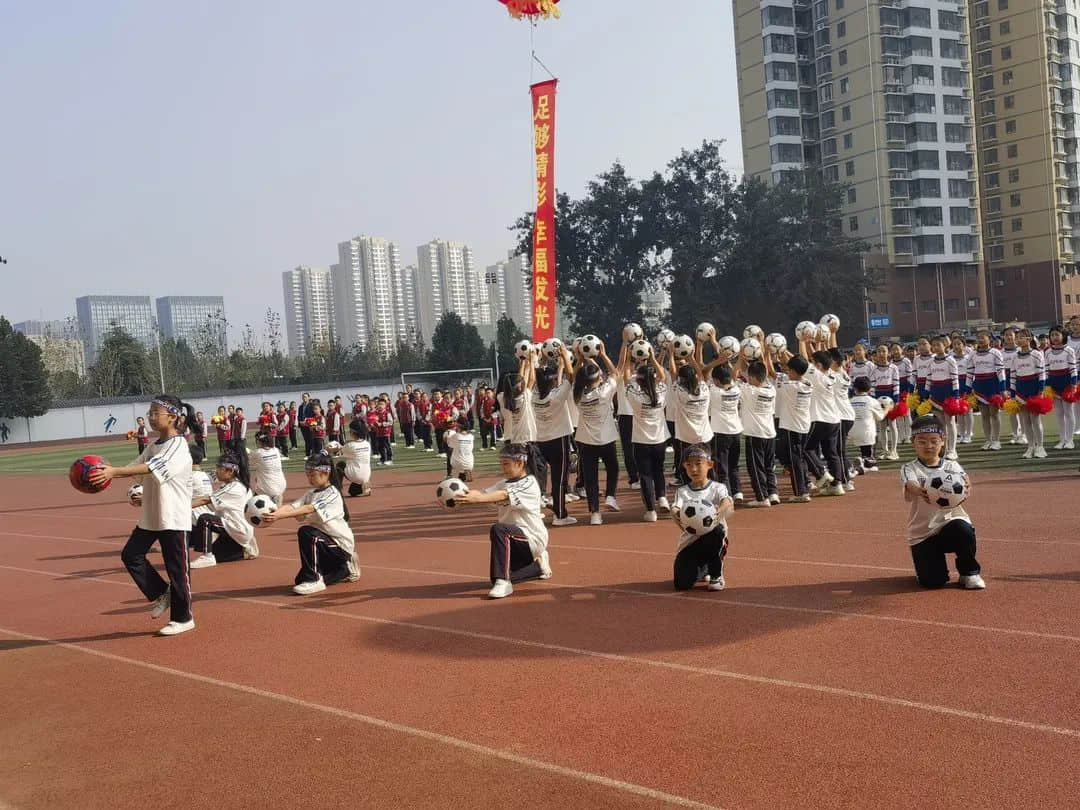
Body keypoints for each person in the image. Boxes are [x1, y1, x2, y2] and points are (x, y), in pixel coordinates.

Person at [88, 394, 196, 636]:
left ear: (173, 417)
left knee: (177, 569)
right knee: (131, 555)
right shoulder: (153, 445)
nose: (151, 416)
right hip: (152, 515)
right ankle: (161, 593)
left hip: (173, 516)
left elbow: (153, 468)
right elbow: (137, 470)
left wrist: (113, 472)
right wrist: (117, 478)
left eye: (156, 412)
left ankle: (184, 617)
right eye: (150, 412)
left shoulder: (178, 445)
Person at [454, 442, 552, 599]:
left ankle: (504, 583)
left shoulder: (529, 483)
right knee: (497, 575)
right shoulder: (503, 483)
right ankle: (538, 566)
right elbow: (481, 493)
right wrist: (457, 498)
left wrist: (477, 499)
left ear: (520, 463)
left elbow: (502, 495)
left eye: (506, 464)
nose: (503, 468)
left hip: (532, 539)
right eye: (501, 464)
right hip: (514, 543)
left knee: (499, 529)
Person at [901, 414, 984, 590]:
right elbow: (910, 484)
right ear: (913, 442)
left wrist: (967, 485)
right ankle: (929, 566)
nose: (928, 446)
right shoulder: (909, 468)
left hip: (950, 525)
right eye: (921, 441)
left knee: (963, 529)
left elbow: (964, 480)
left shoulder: (952, 466)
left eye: (933, 441)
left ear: (942, 441)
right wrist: (922, 490)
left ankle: (969, 573)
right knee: (932, 582)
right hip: (923, 533)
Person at [262, 452, 359, 595]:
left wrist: (279, 517)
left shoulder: (332, 493)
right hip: (324, 545)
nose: (310, 478)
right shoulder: (311, 493)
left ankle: (314, 580)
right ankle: (345, 570)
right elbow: (293, 506)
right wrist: (275, 512)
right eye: (308, 475)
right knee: (300, 580)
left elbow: (309, 508)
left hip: (340, 546)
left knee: (307, 532)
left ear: (326, 473)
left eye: (313, 475)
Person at [671, 444, 734, 591]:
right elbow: (676, 507)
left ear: (710, 464)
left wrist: (722, 508)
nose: (693, 469)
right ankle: (703, 569)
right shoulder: (682, 491)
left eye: (698, 464)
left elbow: (726, 500)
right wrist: (674, 512)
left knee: (716, 531)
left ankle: (716, 574)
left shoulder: (718, 488)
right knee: (681, 584)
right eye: (689, 465)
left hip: (714, 538)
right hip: (690, 543)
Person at [572, 344, 621, 525]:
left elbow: (575, 377)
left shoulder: (577, 394)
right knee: (613, 468)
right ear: (599, 378)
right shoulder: (604, 392)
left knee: (591, 478)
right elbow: (615, 372)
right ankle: (610, 496)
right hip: (606, 438)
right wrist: (603, 355)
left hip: (586, 441)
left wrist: (580, 359)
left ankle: (595, 514)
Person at [622, 342, 670, 522]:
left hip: (641, 440)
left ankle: (651, 511)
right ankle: (663, 497)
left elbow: (626, 378)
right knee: (659, 470)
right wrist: (651, 357)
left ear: (639, 380)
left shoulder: (635, 394)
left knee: (645, 475)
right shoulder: (660, 391)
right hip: (660, 440)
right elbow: (663, 375)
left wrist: (629, 358)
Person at [190, 449, 257, 569]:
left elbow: (205, 500)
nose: (216, 471)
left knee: (205, 519)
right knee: (218, 555)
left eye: (219, 468)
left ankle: (207, 556)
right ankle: (244, 551)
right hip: (234, 532)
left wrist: (182, 506)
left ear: (229, 471)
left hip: (236, 529)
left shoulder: (234, 488)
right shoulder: (237, 485)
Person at [532, 346, 577, 526]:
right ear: (552, 382)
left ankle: (548, 506)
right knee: (560, 479)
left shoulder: (535, 395)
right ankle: (560, 515)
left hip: (541, 441)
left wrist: (541, 359)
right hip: (559, 440)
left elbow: (537, 379)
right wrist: (565, 357)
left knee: (546, 478)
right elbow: (571, 377)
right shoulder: (557, 396)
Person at [735, 353, 778, 507]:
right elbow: (763, 374)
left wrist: (740, 356)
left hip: (755, 435)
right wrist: (762, 354)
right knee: (769, 466)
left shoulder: (748, 390)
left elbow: (733, 378)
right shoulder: (771, 389)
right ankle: (773, 493)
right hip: (770, 434)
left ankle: (762, 498)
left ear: (752, 378)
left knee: (756, 468)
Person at [667, 348, 714, 486]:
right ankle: (708, 487)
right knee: (705, 462)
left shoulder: (680, 392)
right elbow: (700, 373)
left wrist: (671, 354)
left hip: (687, 436)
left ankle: (690, 488)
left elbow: (673, 374)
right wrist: (691, 358)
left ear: (681, 379)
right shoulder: (704, 389)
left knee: (688, 464)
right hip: (705, 435)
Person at [774, 353, 813, 502]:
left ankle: (800, 492)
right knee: (799, 457)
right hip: (803, 426)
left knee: (794, 459)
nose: (787, 373)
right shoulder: (808, 383)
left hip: (791, 427)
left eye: (789, 370)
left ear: (794, 372)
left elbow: (773, 376)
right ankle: (806, 485)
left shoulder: (789, 386)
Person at [1010, 328, 1047, 459]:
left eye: (1021, 337)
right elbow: (1013, 375)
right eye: (1017, 338)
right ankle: (1030, 446)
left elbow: (1042, 374)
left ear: (1029, 339)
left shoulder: (1037, 354)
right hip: (1021, 389)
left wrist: (1041, 391)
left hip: (1034, 388)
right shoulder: (1015, 356)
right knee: (1025, 420)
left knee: (1035, 420)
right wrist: (1013, 393)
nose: (1018, 340)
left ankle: (1040, 446)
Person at [967, 328, 1005, 451]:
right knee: (984, 415)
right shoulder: (972, 354)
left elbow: (1000, 371)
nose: (980, 340)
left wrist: (1002, 388)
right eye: (978, 337)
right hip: (979, 386)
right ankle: (988, 440)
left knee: (994, 414)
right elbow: (970, 372)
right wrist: (968, 388)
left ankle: (996, 440)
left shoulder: (995, 352)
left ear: (990, 339)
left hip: (993, 385)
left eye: (983, 337)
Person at [1044, 325, 1077, 449]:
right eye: (1052, 335)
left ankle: (1070, 440)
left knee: (1068, 412)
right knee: (1058, 413)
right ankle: (1062, 439)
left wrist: (1073, 385)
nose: (1054, 337)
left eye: (1057, 334)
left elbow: (1073, 369)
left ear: (1063, 336)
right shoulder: (1047, 352)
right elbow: (1046, 370)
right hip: (1053, 385)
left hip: (1067, 384)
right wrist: (1047, 386)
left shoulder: (1069, 350)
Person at [849, 376, 886, 474]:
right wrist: (887, 408)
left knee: (864, 445)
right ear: (869, 389)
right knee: (873, 465)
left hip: (852, 431)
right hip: (867, 432)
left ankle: (864, 460)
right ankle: (865, 463)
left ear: (855, 388)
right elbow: (880, 417)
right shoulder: (872, 401)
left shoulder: (850, 401)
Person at [871, 344, 900, 462]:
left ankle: (894, 450)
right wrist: (873, 401)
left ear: (888, 353)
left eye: (884, 351)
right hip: (878, 399)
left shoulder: (893, 368)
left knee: (892, 425)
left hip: (890, 399)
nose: (881, 354)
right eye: (879, 351)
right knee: (882, 427)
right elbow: (873, 386)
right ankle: (884, 450)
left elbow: (896, 384)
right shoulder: (873, 369)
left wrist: (896, 400)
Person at [335, 419, 372, 497]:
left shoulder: (350, 445)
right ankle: (365, 487)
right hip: (366, 475)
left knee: (340, 465)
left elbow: (338, 453)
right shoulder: (367, 444)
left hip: (355, 474)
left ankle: (336, 490)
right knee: (352, 492)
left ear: (353, 432)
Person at [250, 430, 287, 506]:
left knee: (253, 506)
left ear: (259, 441)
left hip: (267, 487)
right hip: (281, 484)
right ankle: (276, 497)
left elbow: (250, 464)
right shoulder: (276, 450)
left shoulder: (257, 452)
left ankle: (274, 500)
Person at [373, 398, 394, 466]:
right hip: (379, 433)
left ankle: (389, 459)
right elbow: (373, 421)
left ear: (385, 405)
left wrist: (382, 424)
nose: (380, 406)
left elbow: (391, 422)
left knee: (387, 446)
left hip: (386, 433)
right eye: (379, 404)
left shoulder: (387, 413)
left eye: (382, 404)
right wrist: (374, 423)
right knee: (380, 447)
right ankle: (383, 459)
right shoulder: (376, 413)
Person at [297, 393, 314, 457]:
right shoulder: (300, 407)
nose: (304, 398)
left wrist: (307, 421)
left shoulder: (311, 405)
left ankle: (312, 453)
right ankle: (307, 454)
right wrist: (300, 421)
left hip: (309, 425)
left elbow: (312, 415)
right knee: (306, 440)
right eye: (303, 397)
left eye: (306, 397)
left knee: (311, 439)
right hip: (302, 425)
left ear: (309, 397)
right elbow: (299, 415)